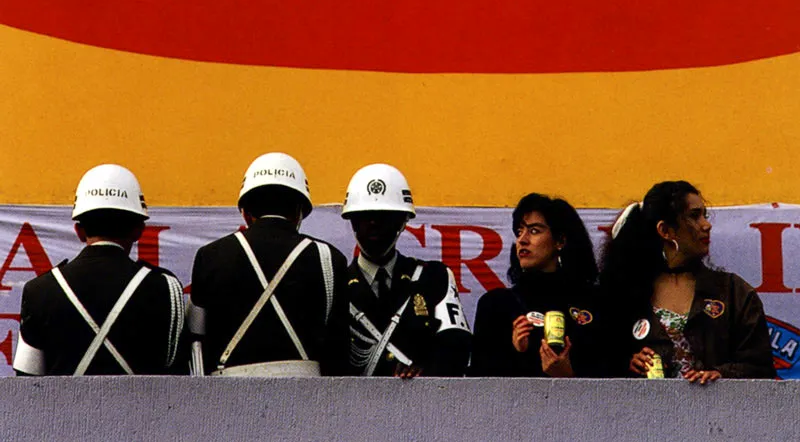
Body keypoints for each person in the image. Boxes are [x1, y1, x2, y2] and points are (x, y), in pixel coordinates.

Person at [12, 164, 186, 376]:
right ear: (139, 230)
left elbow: (26, 382)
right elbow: (178, 377)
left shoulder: (39, 291)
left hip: (66, 410)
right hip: (143, 409)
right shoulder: (165, 288)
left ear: (78, 230)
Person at [187, 152, 349, 376]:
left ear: (245, 213)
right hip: (308, 396)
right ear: (299, 213)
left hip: (227, 398)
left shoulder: (210, 256)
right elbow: (339, 350)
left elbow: (196, 341)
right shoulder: (330, 259)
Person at [600, 180, 775, 382]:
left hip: (718, 411)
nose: (706, 225)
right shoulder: (624, 293)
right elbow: (597, 365)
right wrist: (628, 363)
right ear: (665, 231)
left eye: (704, 215)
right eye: (694, 216)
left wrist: (723, 374)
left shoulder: (733, 292)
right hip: (647, 411)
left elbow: (761, 367)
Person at [343, 163, 471, 377]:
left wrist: (426, 369)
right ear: (353, 222)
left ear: (403, 222)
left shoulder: (434, 278)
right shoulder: (335, 285)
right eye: (365, 215)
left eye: (384, 215)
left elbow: (457, 345)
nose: (374, 222)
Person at [470, 193, 603, 377]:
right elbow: (477, 383)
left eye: (534, 231)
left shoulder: (595, 302)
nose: (522, 240)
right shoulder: (497, 304)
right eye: (519, 232)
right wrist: (517, 351)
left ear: (560, 241)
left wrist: (568, 375)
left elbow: (611, 375)